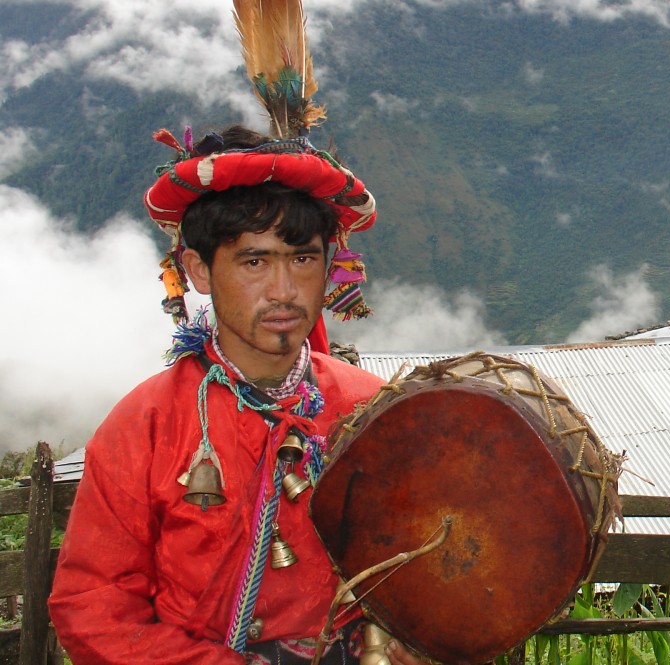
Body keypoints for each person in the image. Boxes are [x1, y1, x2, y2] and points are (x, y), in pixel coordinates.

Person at [47, 130, 427, 664]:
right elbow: (92, 606)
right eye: (254, 262)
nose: (284, 290)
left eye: (302, 259)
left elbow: (427, 556)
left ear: (329, 267)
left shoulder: (371, 408)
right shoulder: (145, 425)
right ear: (200, 270)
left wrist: (417, 634)